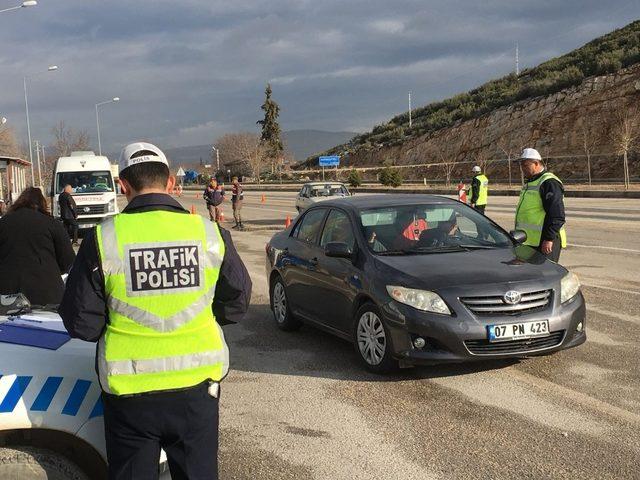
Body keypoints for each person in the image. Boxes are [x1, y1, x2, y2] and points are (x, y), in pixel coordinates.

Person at [59, 142, 252, 480]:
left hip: (130, 396)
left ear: (122, 186)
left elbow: (81, 323)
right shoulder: (209, 234)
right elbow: (237, 301)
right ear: (171, 184)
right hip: (197, 388)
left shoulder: (104, 239)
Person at [0, 187, 75, 305]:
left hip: (7, 294)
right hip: (47, 291)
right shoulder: (52, 224)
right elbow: (68, 261)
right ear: (42, 204)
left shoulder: (3, 223)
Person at [515, 148, 566, 262]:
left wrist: (549, 239)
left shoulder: (549, 182)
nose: (522, 168)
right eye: (521, 165)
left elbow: (556, 214)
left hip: (545, 242)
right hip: (530, 241)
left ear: (536, 163)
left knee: (545, 274)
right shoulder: (532, 182)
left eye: (525, 165)